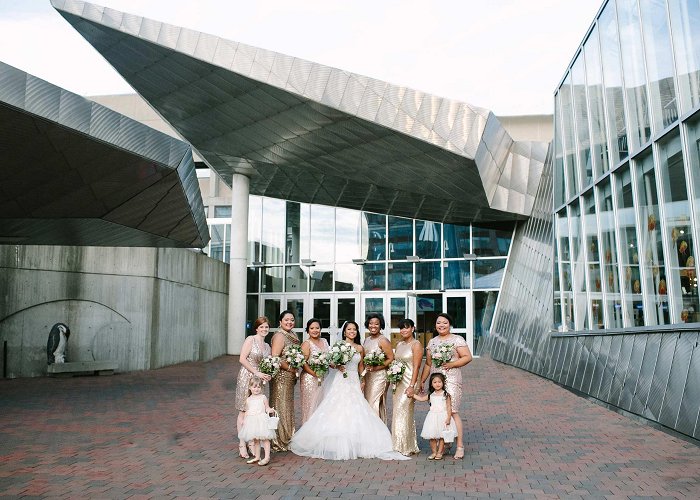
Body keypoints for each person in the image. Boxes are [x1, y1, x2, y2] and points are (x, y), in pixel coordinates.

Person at [289, 321, 410, 461]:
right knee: (337, 408)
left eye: (354, 329)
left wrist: (363, 379)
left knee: (356, 408)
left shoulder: (360, 347)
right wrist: (337, 365)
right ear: (344, 332)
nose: (352, 331)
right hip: (341, 380)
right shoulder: (338, 346)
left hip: (354, 381)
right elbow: (332, 363)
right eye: (349, 329)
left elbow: (361, 367)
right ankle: (333, 442)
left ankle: (357, 441)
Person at [419, 312, 473, 460]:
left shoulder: (457, 339)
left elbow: (468, 357)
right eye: (438, 323)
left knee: (453, 411)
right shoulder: (432, 342)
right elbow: (429, 364)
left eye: (444, 322)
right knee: (440, 411)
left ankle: (460, 445)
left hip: (452, 379)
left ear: (450, 324)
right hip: (437, 380)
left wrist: (451, 364)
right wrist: (422, 380)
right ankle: (446, 443)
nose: (441, 325)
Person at [234, 316, 272, 459]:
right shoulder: (250, 339)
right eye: (261, 327)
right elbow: (242, 359)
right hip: (247, 376)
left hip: (260, 380)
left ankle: (252, 442)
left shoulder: (267, 346)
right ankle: (242, 443)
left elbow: (267, 364)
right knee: (244, 410)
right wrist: (255, 372)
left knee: (256, 412)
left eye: (266, 327)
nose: (264, 329)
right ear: (256, 328)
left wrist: (267, 374)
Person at [270, 309, 301, 452]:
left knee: (287, 406)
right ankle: (278, 439)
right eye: (286, 320)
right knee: (279, 404)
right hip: (281, 377)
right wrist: (290, 369)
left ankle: (287, 436)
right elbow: (275, 357)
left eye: (292, 320)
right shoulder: (279, 336)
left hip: (290, 377)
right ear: (280, 322)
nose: (290, 322)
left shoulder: (293, 334)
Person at [391, 318, 422, 456]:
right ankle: (401, 444)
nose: (403, 330)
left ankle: (404, 446)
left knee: (403, 411)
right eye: (401, 328)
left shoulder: (416, 345)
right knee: (398, 411)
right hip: (398, 383)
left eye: (406, 327)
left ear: (413, 329)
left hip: (410, 381)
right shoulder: (399, 344)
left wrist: (412, 385)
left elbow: (417, 366)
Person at [412, 373, 455, 460]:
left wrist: (449, 418)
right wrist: (412, 395)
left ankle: (440, 452)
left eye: (439, 382)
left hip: (443, 417)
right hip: (432, 417)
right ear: (431, 384)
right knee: (432, 437)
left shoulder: (446, 395)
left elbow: (449, 407)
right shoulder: (431, 395)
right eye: (435, 382)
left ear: (443, 383)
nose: (437, 384)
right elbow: (421, 399)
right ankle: (434, 452)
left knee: (442, 436)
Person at [362, 313, 394, 423]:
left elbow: (390, 358)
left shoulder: (383, 340)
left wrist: (377, 367)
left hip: (380, 377)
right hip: (368, 376)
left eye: (376, 324)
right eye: (371, 323)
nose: (373, 326)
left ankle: (376, 432)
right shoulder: (367, 340)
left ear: (381, 325)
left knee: (374, 403)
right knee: (368, 403)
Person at [238, 377, 276, 466]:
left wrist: (270, 410)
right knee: (256, 440)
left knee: (265, 439)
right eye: (254, 387)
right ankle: (257, 456)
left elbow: (266, 407)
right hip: (252, 421)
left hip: (262, 420)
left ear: (261, 388)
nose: (256, 389)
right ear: (250, 388)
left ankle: (267, 457)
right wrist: (244, 420)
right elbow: (247, 411)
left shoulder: (263, 397)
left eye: (259, 387)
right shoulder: (248, 399)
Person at [300, 318, 329, 424]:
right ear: (308, 330)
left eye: (317, 328)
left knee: (321, 404)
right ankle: (307, 432)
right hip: (310, 378)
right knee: (310, 404)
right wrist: (314, 373)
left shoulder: (325, 341)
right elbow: (303, 363)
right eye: (312, 328)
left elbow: (328, 358)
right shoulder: (306, 344)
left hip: (323, 377)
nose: (315, 330)